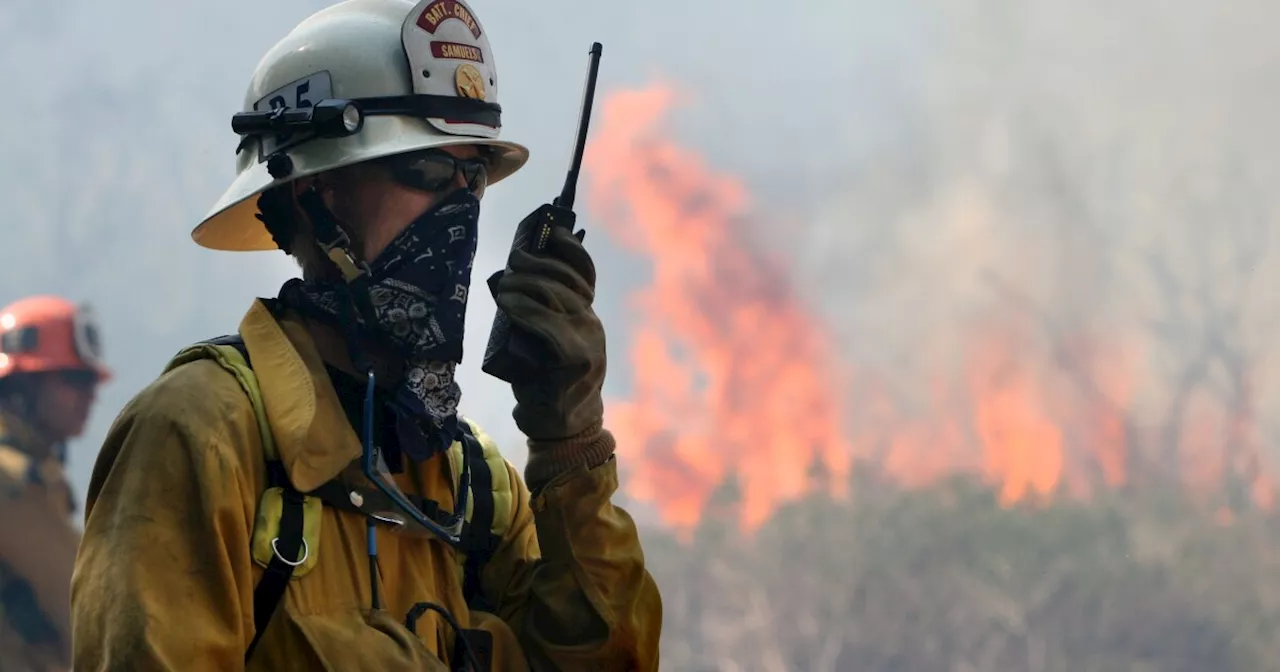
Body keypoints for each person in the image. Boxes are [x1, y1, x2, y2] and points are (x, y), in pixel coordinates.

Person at [70, 0, 662, 670]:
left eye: (472, 179)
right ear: (313, 194)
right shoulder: (201, 437)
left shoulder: (474, 487)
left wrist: (569, 440)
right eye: (430, 174)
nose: (461, 210)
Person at [0, 295, 109, 671]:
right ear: (24, 384)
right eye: (76, 378)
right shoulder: (12, 480)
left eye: (92, 380)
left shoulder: (32, 470)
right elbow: (81, 608)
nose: (91, 394)